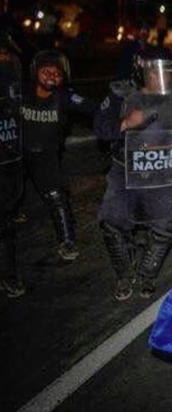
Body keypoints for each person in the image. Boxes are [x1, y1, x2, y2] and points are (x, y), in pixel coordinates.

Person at [97, 49, 172, 300]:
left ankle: (147, 273)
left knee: (162, 226)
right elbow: (101, 129)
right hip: (125, 169)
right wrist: (126, 124)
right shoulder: (121, 95)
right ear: (142, 70)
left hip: (161, 170)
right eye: (156, 72)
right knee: (112, 221)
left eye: (168, 71)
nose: (162, 78)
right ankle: (124, 274)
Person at [21, 50, 97, 261]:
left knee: (56, 195)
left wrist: (119, 116)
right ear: (36, 72)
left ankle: (67, 241)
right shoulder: (21, 93)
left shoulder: (65, 96)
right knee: (10, 195)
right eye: (46, 72)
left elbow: (93, 108)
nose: (52, 77)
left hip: (46, 156)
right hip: (16, 154)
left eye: (56, 73)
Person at [0, 38, 24, 297]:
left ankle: (8, 275)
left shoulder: (10, 83)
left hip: (6, 161)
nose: (3, 58)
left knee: (6, 226)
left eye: (5, 53)